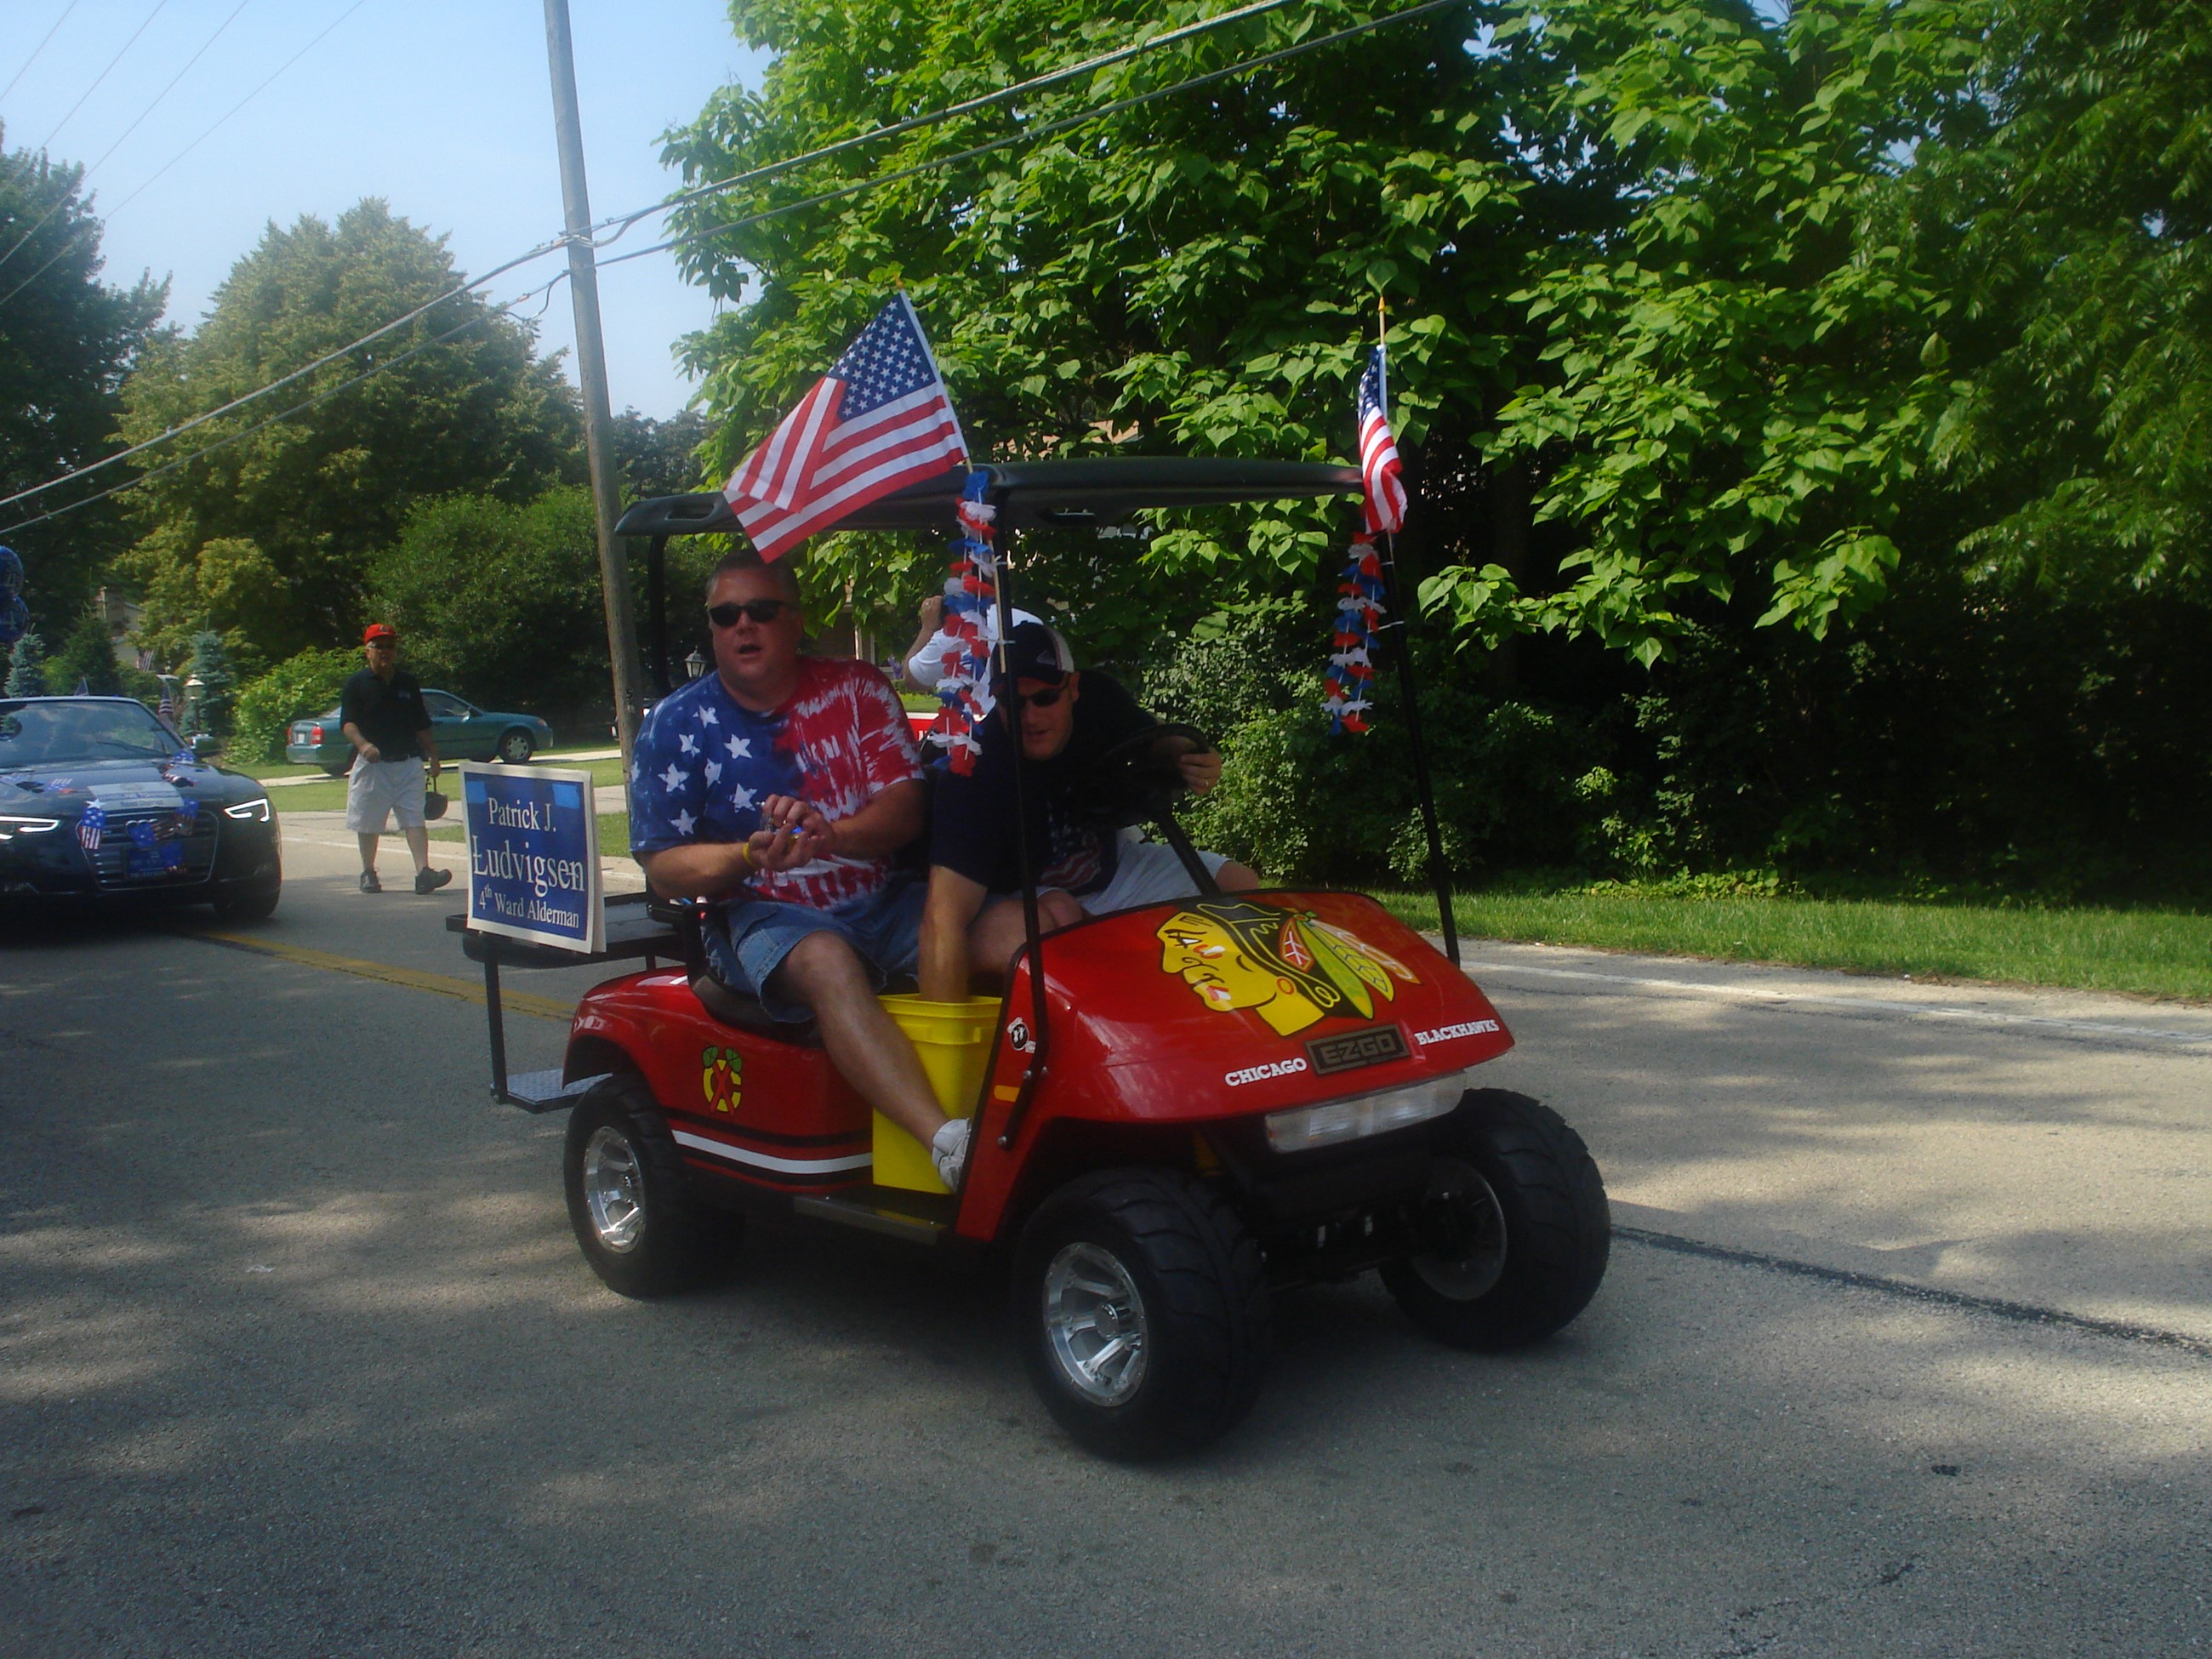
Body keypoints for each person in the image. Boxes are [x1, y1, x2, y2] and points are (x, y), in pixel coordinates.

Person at [629, 549, 972, 1185]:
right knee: (825, 960)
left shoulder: (858, 688)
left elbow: (906, 811)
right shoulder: (675, 724)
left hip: (881, 895)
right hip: (757, 914)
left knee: (1014, 930)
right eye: (725, 615)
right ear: (711, 628)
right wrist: (744, 854)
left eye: (761, 610)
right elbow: (664, 869)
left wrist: (830, 836)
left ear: (795, 621)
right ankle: (949, 1144)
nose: (743, 626)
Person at [919, 621, 1260, 999]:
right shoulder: (975, 769)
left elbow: (1156, 741)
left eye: (1045, 698)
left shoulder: (1100, 701)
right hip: (1025, 889)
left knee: (1239, 884)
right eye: (1013, 702)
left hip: (1110, 868)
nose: (1029, 717)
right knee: (1064, 916)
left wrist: (1189, 755)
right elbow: (943, 916)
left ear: (1074, 688)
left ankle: (1245, 1013)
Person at [340, 623, 451, 896]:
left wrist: (434, 757)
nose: (386, 652)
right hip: (373, 766)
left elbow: (420, 724)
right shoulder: (357, 684)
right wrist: (363, 745)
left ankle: (423, 873)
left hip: (408, 763)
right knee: (368, 820)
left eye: (390, 646)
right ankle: (368, 872)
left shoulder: (407, 683)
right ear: (368, 651)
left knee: (414, 818)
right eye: (379, 646)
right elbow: (348, 724)